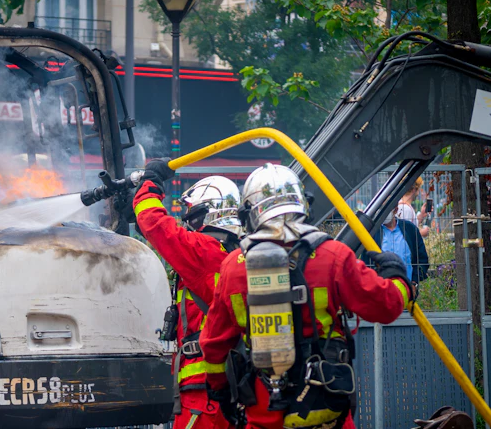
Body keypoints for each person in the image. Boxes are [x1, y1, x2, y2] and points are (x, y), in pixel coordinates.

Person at [200, 164, 415, 429]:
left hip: (264, 414)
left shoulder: (233, 267)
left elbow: (213, 346)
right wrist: (399, 279)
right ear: (303, 205)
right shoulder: (332, 256)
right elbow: (386, 306)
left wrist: (220, 392)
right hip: (326, 409)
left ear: (249, 214)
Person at [133, 159, 242, 429]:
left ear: (210, 214)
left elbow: (155, 224)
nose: (189, 224)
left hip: (203, 396)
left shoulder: (205, 250)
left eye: (193, 217)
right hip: (229, 387)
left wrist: (150, 185)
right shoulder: (234, 254)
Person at [364, 205, 429, 284]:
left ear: (395, 210)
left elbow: (422, 259)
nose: (382, 213)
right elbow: (366, 263)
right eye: (380, 209)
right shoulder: (373, 233)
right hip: (381, 289)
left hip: (407, 288)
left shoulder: (409, 229)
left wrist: (414, 282)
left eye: (386, 209)